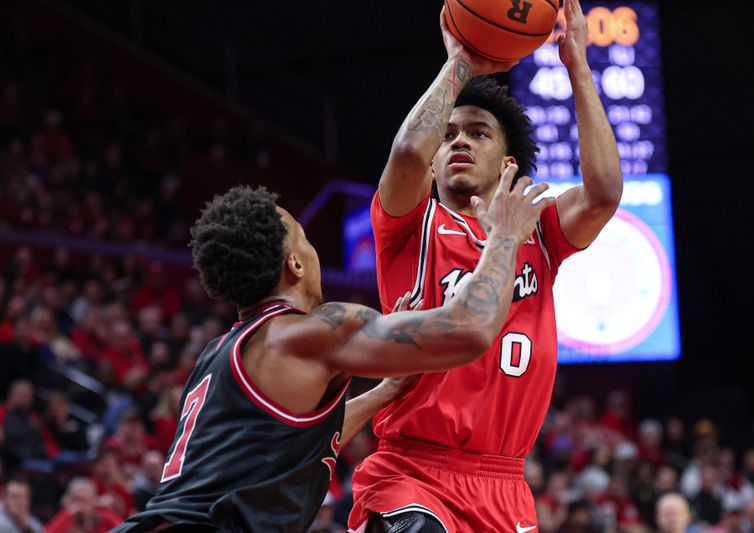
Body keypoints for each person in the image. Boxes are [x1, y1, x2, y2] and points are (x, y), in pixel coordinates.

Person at [114, 178, 554, 532]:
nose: (312, 248)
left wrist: (384, 393)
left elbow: (298, 446)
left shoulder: (222, 352)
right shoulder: (307, 333)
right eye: (305, 239)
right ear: (295, 265)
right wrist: (505, 238)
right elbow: (469, 330)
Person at [348, 0, 622, 531]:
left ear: (509, 162)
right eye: (448, 135)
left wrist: (578, 65)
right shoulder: (409, 225)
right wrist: (460, 64)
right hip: (413, 472)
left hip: (506, 485)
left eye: (477, 134)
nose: (458, 143)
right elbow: (407, 154)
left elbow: (605, 193)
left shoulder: (539, 230)